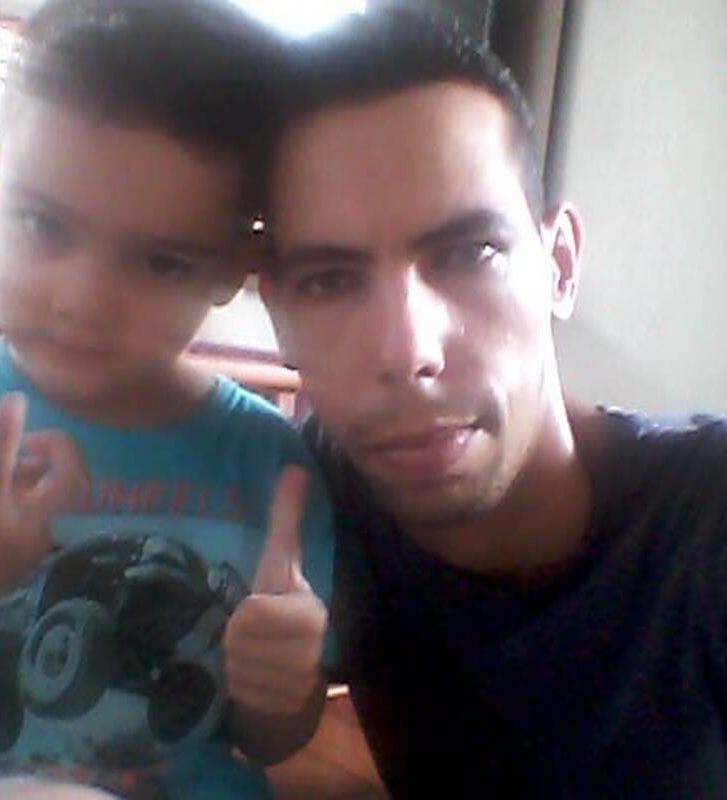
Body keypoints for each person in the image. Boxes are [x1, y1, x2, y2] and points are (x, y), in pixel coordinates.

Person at [253, 6, 727, 798]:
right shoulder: (315, 497)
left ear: (559, 266)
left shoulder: (708, 522)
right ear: (279, 316)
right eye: (330, 281)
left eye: (470, 252)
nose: (407, 351)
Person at [0, 1, 333, 797]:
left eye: (159, 262)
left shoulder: (269, 462)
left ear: (233, 265)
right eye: (45, 225)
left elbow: (270, 738)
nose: (83, 300)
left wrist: (280, 684)